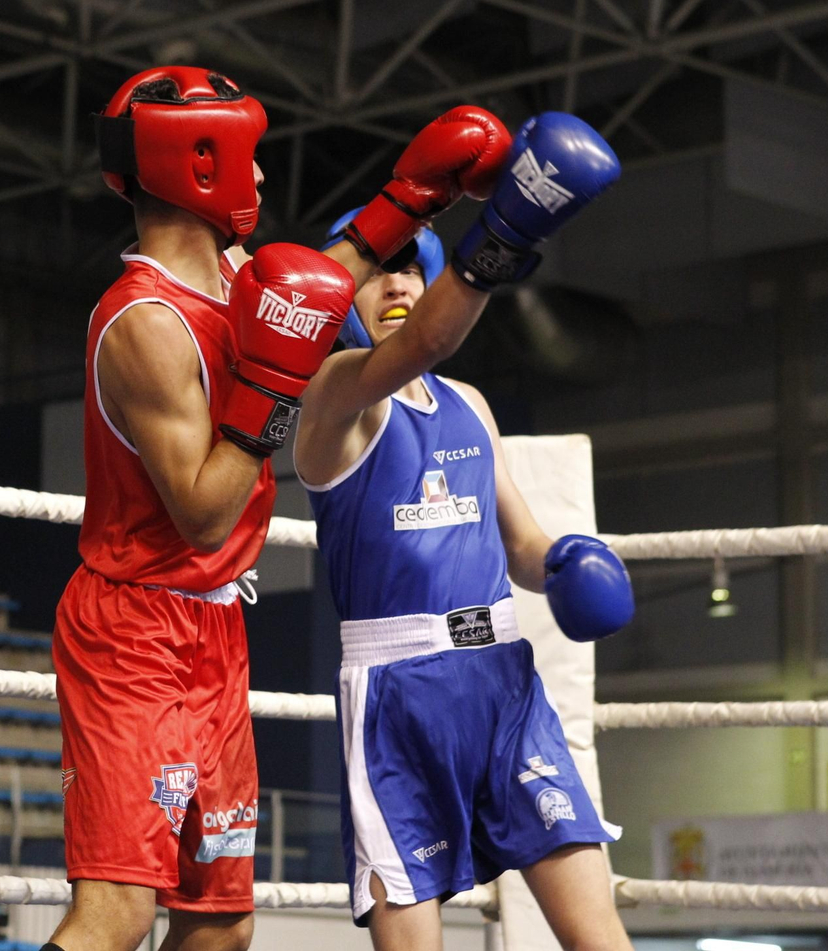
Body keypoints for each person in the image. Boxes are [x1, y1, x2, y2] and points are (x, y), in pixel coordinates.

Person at [45, 66, 510, 951]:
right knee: (117, 914)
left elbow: (311, 292)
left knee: (221, 923)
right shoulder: (144, 321)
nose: (260, 179)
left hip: (214, 634)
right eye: (248, 160)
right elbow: (205, 514)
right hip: (135, 634)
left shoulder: (233, 277)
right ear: (199, 166)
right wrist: (273, 387)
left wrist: (408, 198)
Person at [292, 113, 636, 951]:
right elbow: (423, 341)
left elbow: (517, 541)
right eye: (380, 269)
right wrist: (507, 230)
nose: (399, 282)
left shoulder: (469, 407)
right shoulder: (335, 399)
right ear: (348, 292)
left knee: (599, 934)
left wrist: (563, 561)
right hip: (398, 695)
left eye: (414, 265)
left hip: (505, 684)